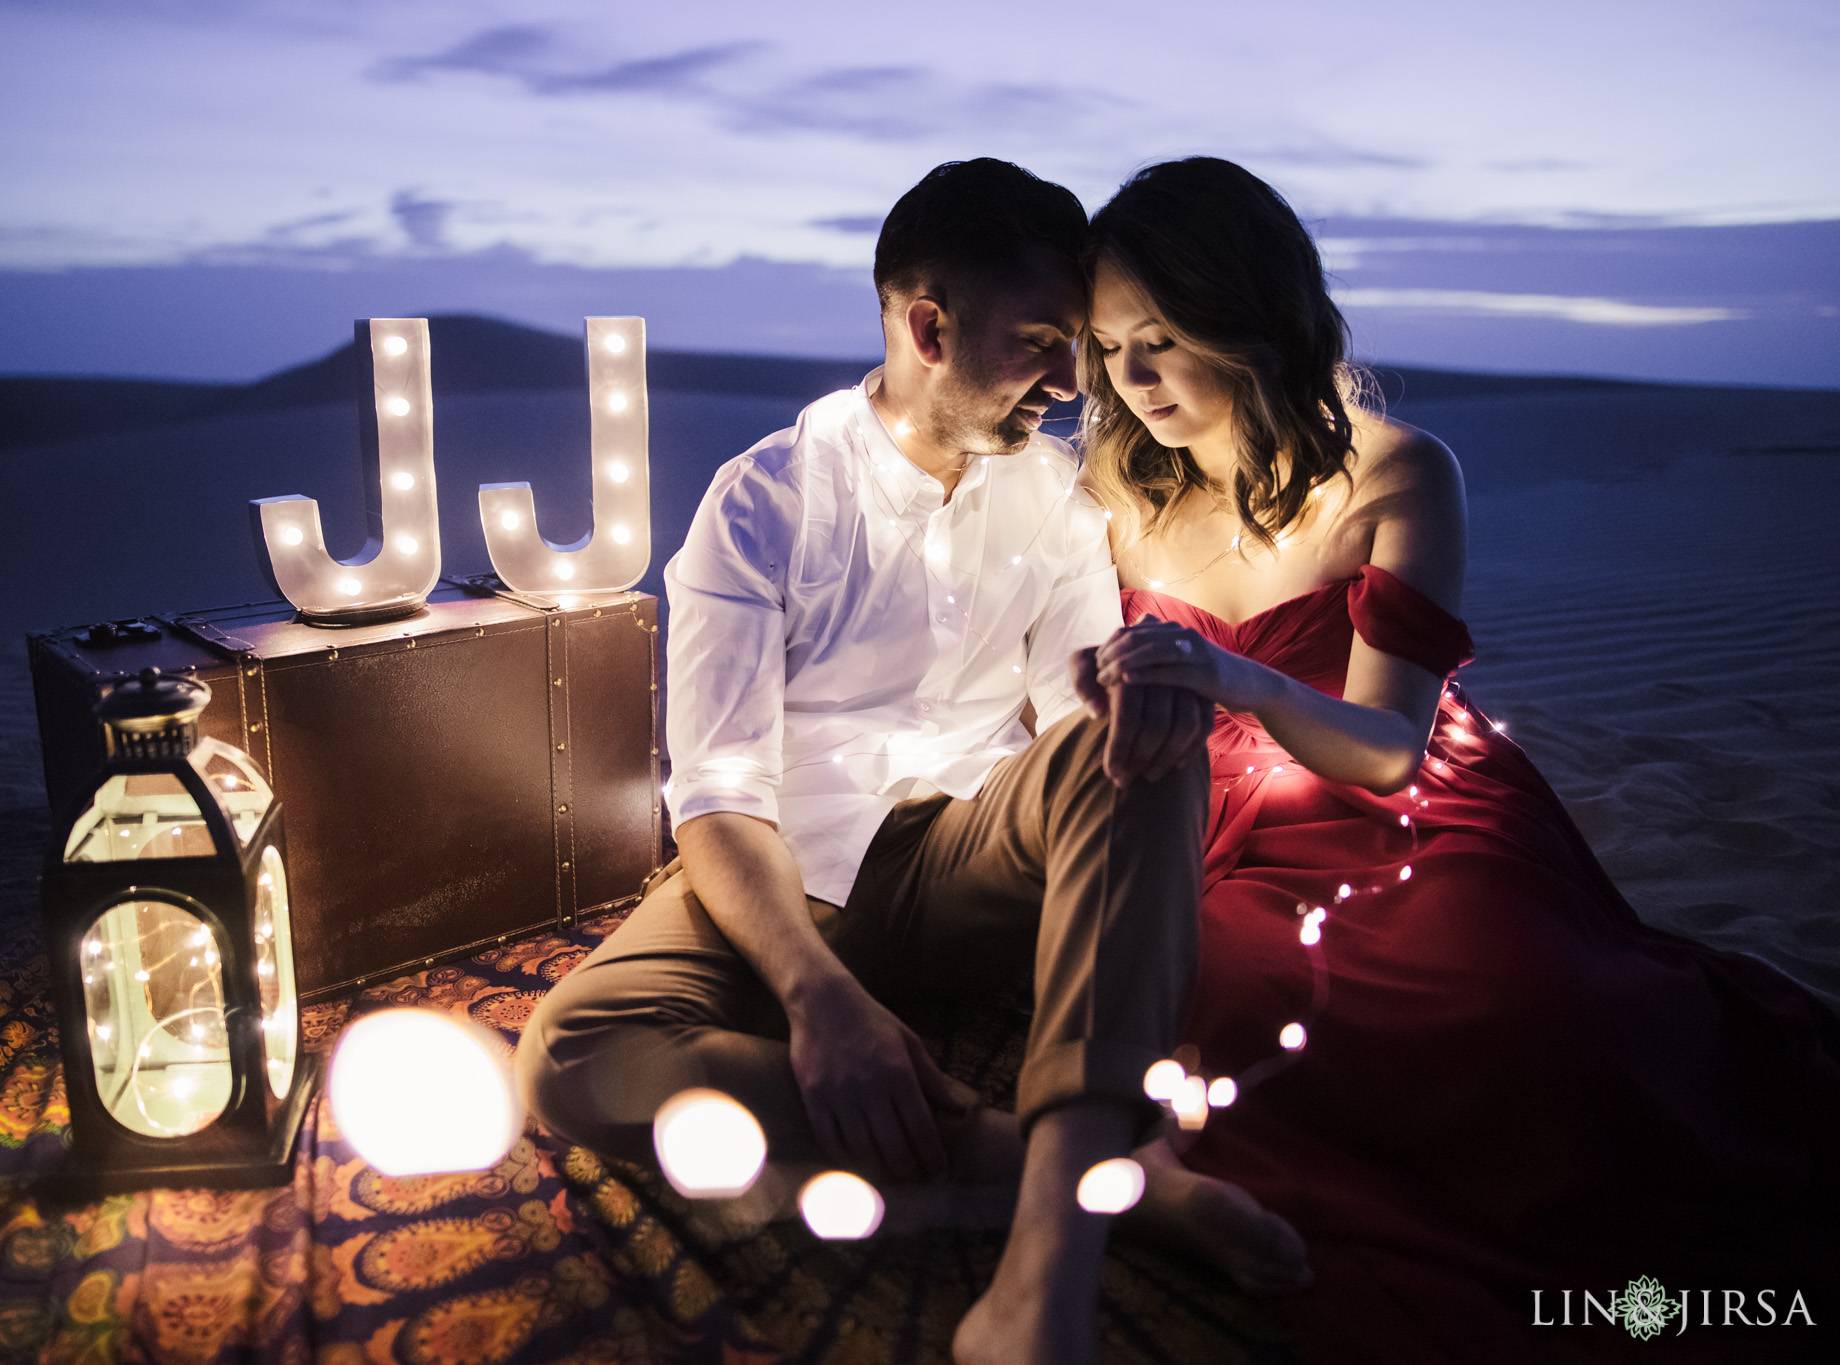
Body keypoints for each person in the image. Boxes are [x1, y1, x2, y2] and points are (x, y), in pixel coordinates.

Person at [517, 159, 1291, 1365]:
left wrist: (1131, 703)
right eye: (1041, 342)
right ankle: (1108, 1180)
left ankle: (1046, 1265)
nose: (1073, 382)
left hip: (971, 858)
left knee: (1139, 746)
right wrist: (818, 1002)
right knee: (574, 1056)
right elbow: (717, 794)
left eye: (1074, 345)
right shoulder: (762, 503)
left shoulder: (1054, 502)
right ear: (925, 326)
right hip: (793, 876)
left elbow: (1073, 714)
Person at [1077, 156, 1840, 1360]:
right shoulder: (1117, 494)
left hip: (1407, 804)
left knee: (1524, 1013)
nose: (1133, 378)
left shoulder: (1397, 471)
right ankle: (1179, 1188)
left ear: (1248, 312)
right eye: (1109, 344)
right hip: (1206, 820)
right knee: (1227, 993)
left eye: (1162, 335)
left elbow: (1388, 748)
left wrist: (1230, 676)